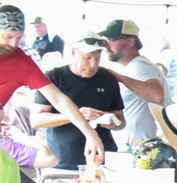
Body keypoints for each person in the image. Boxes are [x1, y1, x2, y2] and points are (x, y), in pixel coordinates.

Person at [0, 6, 101, 166]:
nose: (13, 44)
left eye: (19, 38)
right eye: (8, 37)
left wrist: (89, 133)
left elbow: (58, 99)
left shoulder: (22, 62)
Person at [31, 36, 126, 169]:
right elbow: (36, 120)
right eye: (88, 58)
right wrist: (75, 116)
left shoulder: (108, 79)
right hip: (63, 160)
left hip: (102, 159)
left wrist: (112, 121)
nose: (93, 65)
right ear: (74, 53)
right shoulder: (54, 77)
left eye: (97, 59)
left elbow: (121, 121)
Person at [99, 19, 168, 144]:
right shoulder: (135, 66)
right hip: (141, 145)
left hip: (146, 147)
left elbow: (157, 95)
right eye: (106, 41)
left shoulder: (139, 66)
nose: (107, 46)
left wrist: (118, 77)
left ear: (130, 42)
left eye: (112, 40)